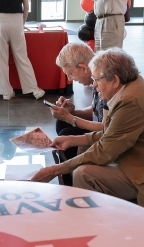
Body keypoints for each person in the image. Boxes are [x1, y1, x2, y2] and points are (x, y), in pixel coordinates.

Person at [32, 48, 144, 219]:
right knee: (81, 154)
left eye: (96, 79)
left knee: (84, 174)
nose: (93, 85)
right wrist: (73, 139)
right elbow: (112, 134)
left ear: (115, 80)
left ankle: (91, 227)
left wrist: (55, 170)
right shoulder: (130, 89)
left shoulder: (129, 101)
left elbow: (105, 149)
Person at [51, 42, 108, 185]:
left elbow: (106, 128)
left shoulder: (105, 81)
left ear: (83, 67)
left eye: (70, 73)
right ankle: (69, 168)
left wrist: (72, 118)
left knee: (67, 132)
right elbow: (96, 111)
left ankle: (71, 180)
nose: (70, 79)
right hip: (100, 128)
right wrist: (72, 113)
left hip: (106, 135)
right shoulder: (97, 76)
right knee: (62, 122)